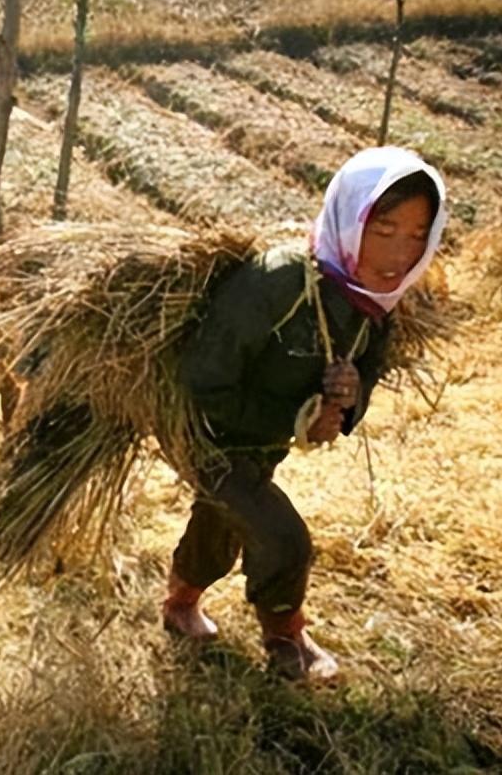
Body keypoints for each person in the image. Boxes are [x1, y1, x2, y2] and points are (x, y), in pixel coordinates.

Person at [164, 146, 447, 682]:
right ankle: (285, 634)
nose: (399, 254)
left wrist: (346, 399)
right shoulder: (278, 282)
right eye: (383, 229)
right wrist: (296, 421)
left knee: (221, 520)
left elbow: (367, 369)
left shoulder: (376, 303)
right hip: (204, 431)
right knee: (283, 536)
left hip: (260, 442)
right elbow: (203, 380)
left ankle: (180, 603)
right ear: (350, 218)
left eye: (417, 235)